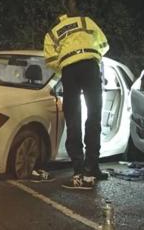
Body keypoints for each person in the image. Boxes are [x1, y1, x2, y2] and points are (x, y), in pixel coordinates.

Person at [43, 14, 109, 190]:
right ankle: (92, 168)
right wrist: (94, 57)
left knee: (73, 120)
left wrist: (65, 66)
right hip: (90, 67)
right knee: (94, 117)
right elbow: (104, 44)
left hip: (70, 71)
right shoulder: (85, 20)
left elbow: (50, 60)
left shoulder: (52, 33)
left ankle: (78, 172)